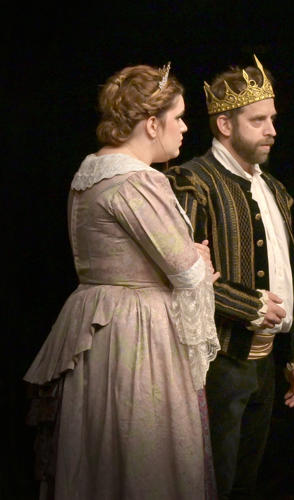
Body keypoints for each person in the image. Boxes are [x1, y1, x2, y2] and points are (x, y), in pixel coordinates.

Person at [24, 63, 220, 499]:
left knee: (102, 457)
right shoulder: (137, 180)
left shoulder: (91, 171)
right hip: (137, 335)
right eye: (178, 117)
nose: (185, 127)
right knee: (141, 457)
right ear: (151, 124)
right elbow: (188, 271)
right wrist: (199, 260)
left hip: (98, 327)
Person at [166, 55, 294, 499]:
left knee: (245, 484)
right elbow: (183, 276)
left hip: (264, 363)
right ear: (224, 124)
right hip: (218, 362)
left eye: (273, 119)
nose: (272, 130)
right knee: (211, 482)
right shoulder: (192, 182)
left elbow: (289, 277)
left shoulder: (275, 190)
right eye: (258, 120)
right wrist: (248, 305)